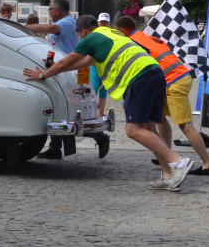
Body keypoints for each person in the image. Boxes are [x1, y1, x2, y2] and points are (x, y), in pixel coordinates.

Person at [24, 15, 196, 191]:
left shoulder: (91, 38)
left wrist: (43, 75)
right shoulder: (110, 33)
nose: (79, 37)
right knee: (149, 129)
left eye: (78, 34)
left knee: (133, 130)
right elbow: (80, 63)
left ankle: (178, 161)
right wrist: (54, 67)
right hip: (155, 73)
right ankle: (167, 175)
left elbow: (66, 62)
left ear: (83, 32)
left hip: (139, 78)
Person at [114, 16, 209, 175]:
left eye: (117, 32)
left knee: (186, 126)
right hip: (174, 78)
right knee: (160, 117)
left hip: (174, 80)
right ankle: (166, 154)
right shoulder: (145, 36)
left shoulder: (134, 42)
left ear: (123, 30)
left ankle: (208, 164)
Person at [26, 0, 109, 159]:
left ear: (57, 10)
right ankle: (56, 147)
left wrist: (22, 27)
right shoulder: (68, 23)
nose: (50, 13)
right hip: (72, 69)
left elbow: (48, 28)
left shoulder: (66, 22)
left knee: (69, 107)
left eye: (50, 10)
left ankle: (98, 135)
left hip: (74, 71)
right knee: (64, 107)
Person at [88, 13, 111, 120]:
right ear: (98, 22)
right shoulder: (94, 33)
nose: (103, 24)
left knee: (103, 90)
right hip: (94, 64)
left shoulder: (112, 34)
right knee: (94, 89)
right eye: (102, 22)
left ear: (109, 23)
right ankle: (91, 114)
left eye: (105, 22)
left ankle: (101, 114)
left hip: (106, 65)